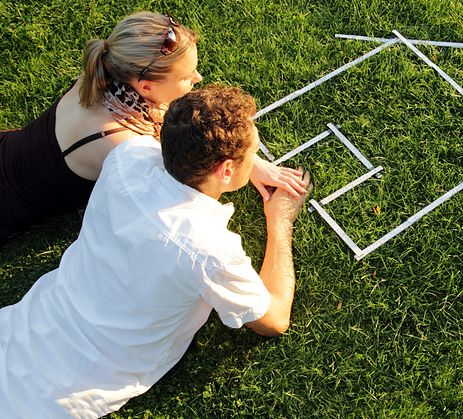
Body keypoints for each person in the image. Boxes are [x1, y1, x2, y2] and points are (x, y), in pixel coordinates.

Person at [0, 84, 311, 416]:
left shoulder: (127, 156)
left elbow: (161, 136)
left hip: (27, 327)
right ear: (225, 170)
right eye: (253, 150)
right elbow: (274, 319)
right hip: (55, 395)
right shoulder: (208, 248)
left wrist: (245, 163)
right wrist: (279, 221)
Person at [0, 11, 306, 246]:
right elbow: (190, 176)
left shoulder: (106, 75)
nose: (198, 78)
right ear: (146, 86)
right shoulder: (125, 144)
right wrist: (247, 161)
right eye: (187, 77)